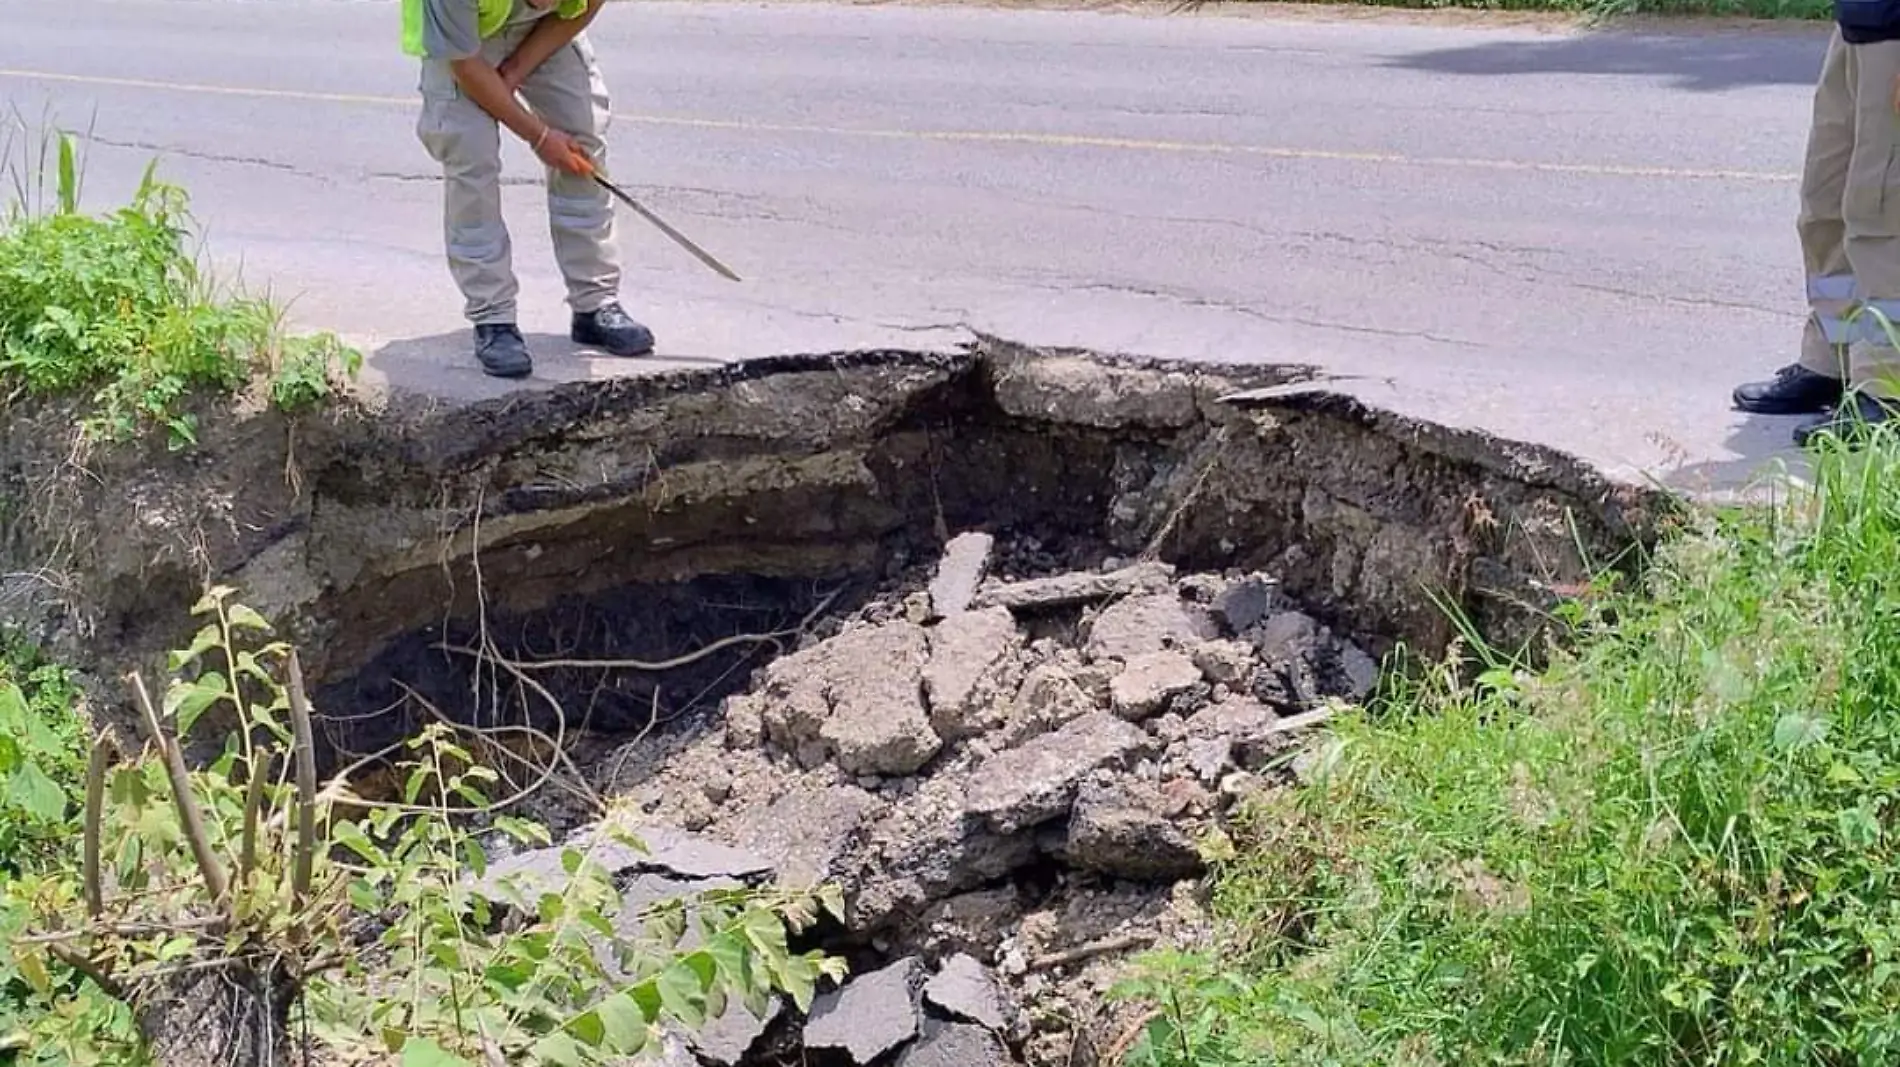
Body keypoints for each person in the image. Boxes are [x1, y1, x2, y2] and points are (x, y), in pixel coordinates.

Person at [403, 0, 655, 378]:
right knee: (472, 159)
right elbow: (465, 63)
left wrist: (516, 69)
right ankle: (494, 319)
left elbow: (585, 6)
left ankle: (595, 304)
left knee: (582, 144)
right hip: (462, 41)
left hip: (541, 30)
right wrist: (538, 136)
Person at [1733, 13, 1900, 445]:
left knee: (1881, 215)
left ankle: (1885, 390)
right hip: (1859, 24)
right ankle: (1836, 358)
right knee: (1824, 205)